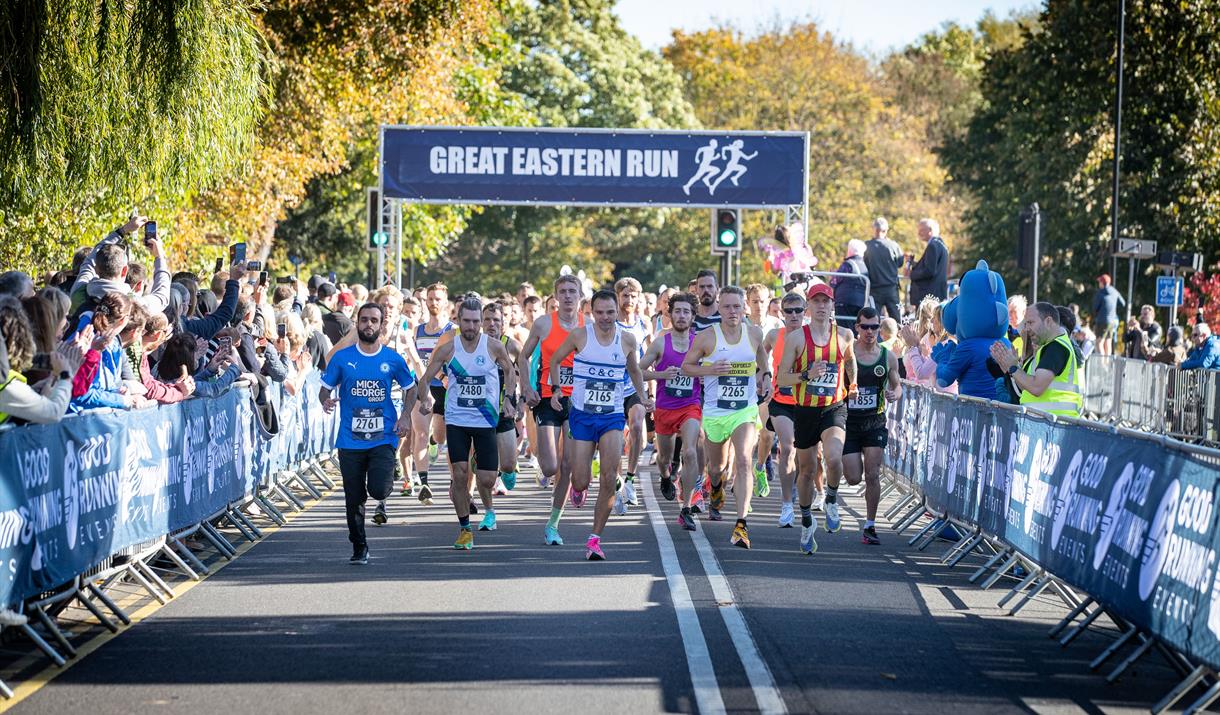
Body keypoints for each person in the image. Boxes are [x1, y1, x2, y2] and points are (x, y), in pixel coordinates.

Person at [548, 290, 650, 560]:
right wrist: (557, 389)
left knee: (608, 476)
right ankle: (579, 489)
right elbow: (555, 360)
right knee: (580, 481)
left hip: (611, 417)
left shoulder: (627, 339)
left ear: (617, 312)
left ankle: (595, 538)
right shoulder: (581, 336)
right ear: (591, 313)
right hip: (582, 415)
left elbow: (635, 370)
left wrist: (643, 397)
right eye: (600, 313)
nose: (605, 318)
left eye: (610, 312)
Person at [320, 303, 418, 565]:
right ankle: (359, 546)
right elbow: (325, 387)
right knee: (354, 497)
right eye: (364, 320)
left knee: (379, 489)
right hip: (350, 440)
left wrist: (406, 415)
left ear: (381, 324)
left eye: (374, 320)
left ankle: (389, 472)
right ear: (357, 323)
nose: (368, 325)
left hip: (383, 437)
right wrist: (325, 400)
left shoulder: (392, 358)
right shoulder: (342, 358)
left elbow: (411, 388)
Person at [417, 297, 516, 549]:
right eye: (467, 322)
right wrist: (426, 398)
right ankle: (464, 529)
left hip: (485, 420)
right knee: (460, 477)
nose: (471, 327)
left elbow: (509, 371)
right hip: (457, 420)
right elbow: (425, 378)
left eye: (476, 322)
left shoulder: (493, 346)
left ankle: (478, 462)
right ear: (458, 321)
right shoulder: (448, 349)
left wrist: (509, 399)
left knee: (487, 479)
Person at [682, 286, 769, 549]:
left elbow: (763, 362)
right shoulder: (707, 337)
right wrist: (710, 369)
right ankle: (716, 485)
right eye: (727, 306)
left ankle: (741, 524)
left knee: (743, 459)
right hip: (715, 412)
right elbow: (687, 367)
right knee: (717, 467)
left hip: (744, 410)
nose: (733, 311)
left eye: (737, 306)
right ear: (719, 309)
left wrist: (765, 378)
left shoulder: (754, 333)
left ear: (744, 307)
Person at [776, 282, 856, 555]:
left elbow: (851, 359)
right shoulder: (797, 338)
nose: (821, 306)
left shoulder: (844, 335)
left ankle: (831, 498)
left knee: (834, 458)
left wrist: (852, 384)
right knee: (807, 469)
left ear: (832, 305)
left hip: (833, 406)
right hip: (805, 409)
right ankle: (807, 520)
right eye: (816, 301)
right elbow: (782, 377)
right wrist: (806, 375)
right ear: (809, 306)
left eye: (826, 301)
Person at [518, 274, 585, 546]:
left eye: (572, 291)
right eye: (563, 291)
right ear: (556, 296)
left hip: (577, 401)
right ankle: (547, 474)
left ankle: (553, 524)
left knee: (567, 466)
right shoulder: (544, 323)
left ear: (580, 295)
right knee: (549, 467)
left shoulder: (589, 326)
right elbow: (523, 357)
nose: (567, 296)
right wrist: (526, 387)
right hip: (547, 398)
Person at [639, 292, 702, 530]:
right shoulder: (660, 342)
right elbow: (639, 370)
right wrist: (661, 375)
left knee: (690, 452)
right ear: (670, 314)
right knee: (664, 459)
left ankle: (686, 508)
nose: (682, 315)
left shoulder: (699, 344)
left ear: (693, 316)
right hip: (665, 408)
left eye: (686, 311)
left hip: (690, 406)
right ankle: (666, 477)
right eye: (678, 311)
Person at [842, 307, 901, 544]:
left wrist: (895, 393)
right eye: (864, 327)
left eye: (874, 327)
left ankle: (870, 525)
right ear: (857, 328)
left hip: (875, 421)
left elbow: (897, 384)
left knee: (873, 474)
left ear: (879, 328)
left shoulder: (888, 357)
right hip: (849, 421)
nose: (869, 332)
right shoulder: (848, 353)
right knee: (854, 478)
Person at [0, 297, 88, 424]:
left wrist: (50, 381)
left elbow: (20, 397)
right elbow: (54, 413)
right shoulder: (6, 384)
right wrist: (65, 375)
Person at [762, 291, 808, 527]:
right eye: (788, 311)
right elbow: (761, 355)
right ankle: (786, 504)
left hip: (808, 402)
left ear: (804, 312)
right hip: (781, 400)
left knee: (806, 455)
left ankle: (797, 488)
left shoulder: (814, 336)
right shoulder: (773, 335)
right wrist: (765, 375)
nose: (793, 315)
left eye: (798, 310)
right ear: (781, 313)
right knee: (788, 447)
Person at [989, 301, 1084, 416]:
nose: (1027, 328)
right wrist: (1010, 368)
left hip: (1053, 425)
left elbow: (1036, 388)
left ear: (1048, 321)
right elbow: (1025, 388)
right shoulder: (1049, 347)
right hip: (1045, 424)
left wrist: (1013, 367)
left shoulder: (1056, 347)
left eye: (1030, 322)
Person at [410, 282, 455, 505]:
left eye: (438, 299)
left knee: (441, 436)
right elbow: (414, 361)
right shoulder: (417, 331)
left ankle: (436, 445)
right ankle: (424, 482)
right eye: (430, 299)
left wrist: (444, 377)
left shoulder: (452, 331)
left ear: (445, 302)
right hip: (424, 386)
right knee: (419, 432)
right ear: (425, 301)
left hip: (446, 388)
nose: (434, 303)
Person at [614, 277, 651, 512]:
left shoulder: (643, 323)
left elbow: (647, 358)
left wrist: (650, 390)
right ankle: (617, 483)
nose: (629, 300)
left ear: (639, 298)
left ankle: (630, 478)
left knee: (638, 429)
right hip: (613, 389)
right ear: (618, 296)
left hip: (634, 387)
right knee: (615, 439)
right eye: (625, 295)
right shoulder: (611, 323)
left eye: (633, 296)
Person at [482, 302, 523, 496]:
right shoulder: (473, 345)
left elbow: (526, 371)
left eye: (496, 320)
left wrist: (522, 401)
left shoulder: (511, 345)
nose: (491, 324)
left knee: (508, 464)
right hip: (479, 410)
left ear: (503, 323)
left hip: (504, 409)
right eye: (487, 320)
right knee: (483, 463)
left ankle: (506, 469)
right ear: (481, 323)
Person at [863, 217, 903, 320]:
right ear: (886, 230)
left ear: (873, 229)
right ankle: (899, 336)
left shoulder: (866, 246)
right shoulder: (894, 246)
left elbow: (864, 264)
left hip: (874, 288)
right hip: (892, 289)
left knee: (873, 319)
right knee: (897, 320)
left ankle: (874, 336)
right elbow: (900, 263)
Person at [907, 218, 949, 304]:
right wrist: (915, 264)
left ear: (930, 230)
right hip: (937, 293)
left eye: (921, 230)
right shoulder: (942, 245)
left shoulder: (932, 246)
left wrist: (911, 274)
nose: (919, 233)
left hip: (929, 297)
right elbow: (932, 266)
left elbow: (929, 271)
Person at [831, 239, 870, 330]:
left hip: (844, 302)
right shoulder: (864, 266)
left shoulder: (848, 264)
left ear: (850, 250)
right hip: (861, 302)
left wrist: (832, 276)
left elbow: (834, 281)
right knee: (856, 329)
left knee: (844, 330)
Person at [1091, 274, 1125, 356]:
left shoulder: (1100, 293)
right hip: (1112, 321)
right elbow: (1123, 303)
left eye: (1099, 282)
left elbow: (1095, 307)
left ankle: (1102, 364)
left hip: (1102, 320)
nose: (1099, 284)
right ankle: (1107, 365)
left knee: (1099, 343)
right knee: (1108, 342)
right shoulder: (1114, 291)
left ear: (1102, 283)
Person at [692, 270, 721, 334]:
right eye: (702, 287)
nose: (706, 290)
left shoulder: (726, 314)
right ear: (696, 289)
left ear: (717, 288)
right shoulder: (689, 316)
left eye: (710, 286)